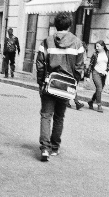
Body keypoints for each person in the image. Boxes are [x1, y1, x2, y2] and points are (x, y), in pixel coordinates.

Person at [36, 12, 84, 162]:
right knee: (59, 117)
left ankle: (45, 148)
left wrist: (41, 83)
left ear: (56, 25)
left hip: (50, 83)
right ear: (69, 25)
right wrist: (73, 84)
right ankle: (55, 147)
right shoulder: (77, 43)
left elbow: (40, 65)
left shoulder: (46, 42)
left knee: (46, 115)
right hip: (66, 85)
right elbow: (79, 67)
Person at [86, 40, 109, 113]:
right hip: (96, 72)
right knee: (99, 88)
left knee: (99, 89)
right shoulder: (95, 54)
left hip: (104, 74)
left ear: (103, 46)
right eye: (96, 46)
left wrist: (107, 70)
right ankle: (99, 105)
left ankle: (91, 101)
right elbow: (90, 65)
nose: (96, 48)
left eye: (98, 46)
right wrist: (88, 76)